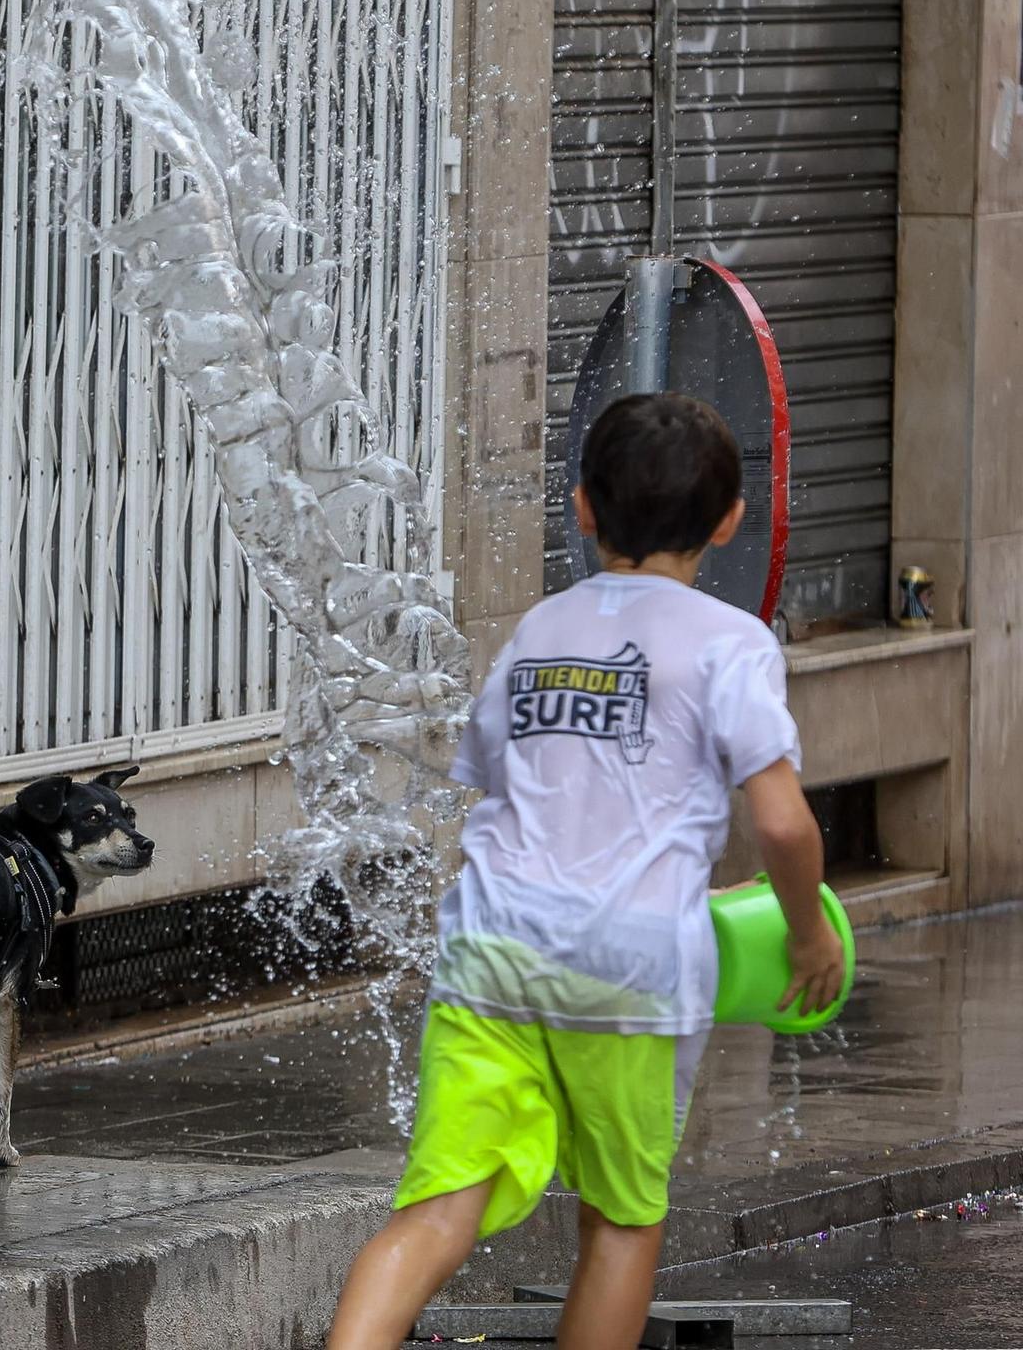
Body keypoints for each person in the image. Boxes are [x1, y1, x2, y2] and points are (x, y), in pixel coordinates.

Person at [327, 392, 846, 1349]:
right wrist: (807, 929)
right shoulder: (732, 644)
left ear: (582, 507)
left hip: (492, 953)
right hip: (632, 971)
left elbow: (501, 784)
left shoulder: (539, 631)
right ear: (731, 521)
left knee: (439, 1211)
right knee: (619, 1222)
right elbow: (781, 822)